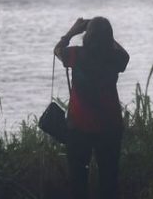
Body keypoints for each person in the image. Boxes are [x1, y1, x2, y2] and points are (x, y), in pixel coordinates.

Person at [54, 16, 130, 199]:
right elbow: (125, 55)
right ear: (109, 38)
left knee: (77, 183)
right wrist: (106, 37)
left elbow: (57, 50)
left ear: (87, 37)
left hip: (78, 129)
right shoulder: (116, 58)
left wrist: (72, 31)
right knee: (109, 181)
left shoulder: (76, 55)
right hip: (110, 128)